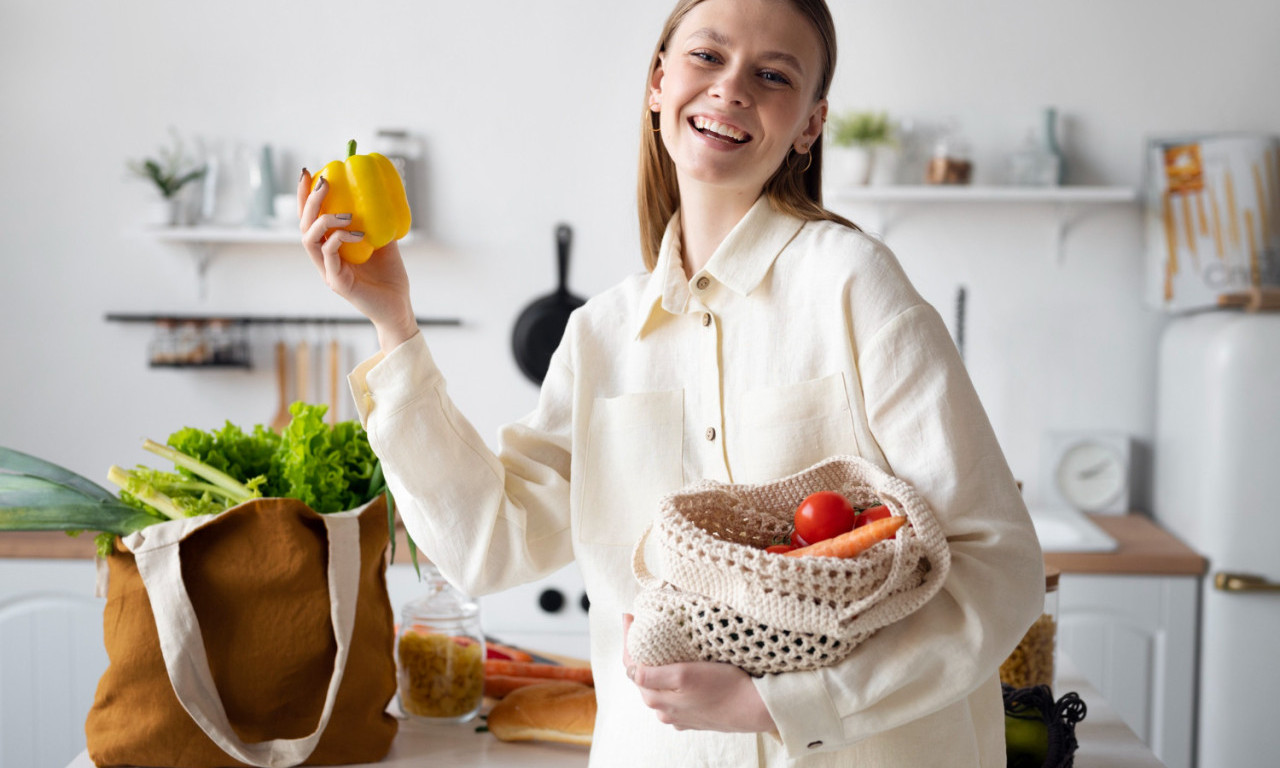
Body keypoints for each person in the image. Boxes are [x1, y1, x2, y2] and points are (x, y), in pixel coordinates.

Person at [298, 0, 1043, 764]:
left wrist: (781, 703)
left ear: (810, 125)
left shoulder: (852, 285)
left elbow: (998, 563)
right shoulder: (601, 337)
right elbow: (489, 545)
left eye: (772, 74)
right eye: (707, 57)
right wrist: (392, 323)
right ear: (658, 82)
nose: (730, 89)